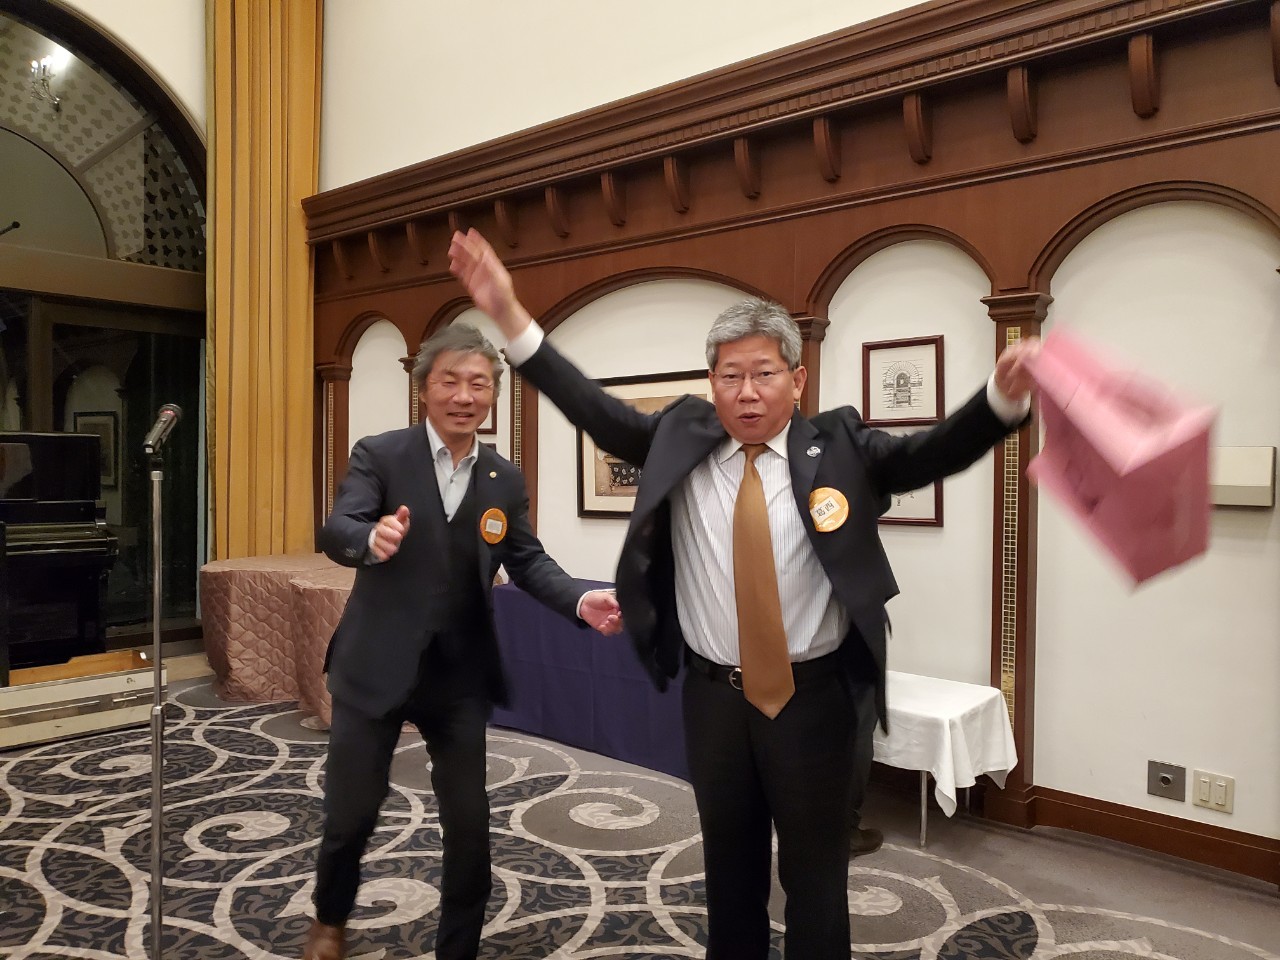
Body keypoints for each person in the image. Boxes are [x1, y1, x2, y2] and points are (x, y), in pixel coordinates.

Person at [448, 228, 1038, 960]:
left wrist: (1000, 400)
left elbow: (928, 454)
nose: (747, 392)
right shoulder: (681, 438)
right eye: (730, 376)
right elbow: (590, 406)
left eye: (764, 374)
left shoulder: (840, 447)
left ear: (798, 379)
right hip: (714, 700)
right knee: (730, 874)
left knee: (816, 878)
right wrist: (508, 314)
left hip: (817, 700)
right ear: (712, 382)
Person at [303, 323, 623, 960]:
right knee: (350, 815)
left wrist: (578, 599)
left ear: (494, 396)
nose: (464, 396)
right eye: (450, 381)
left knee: (470, 825)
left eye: (479, 384)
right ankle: (329, 921)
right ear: (424, 387)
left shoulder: (503, 478)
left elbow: (527, 560)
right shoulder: (381, 454)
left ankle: (460, 947)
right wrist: (368, 539)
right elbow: (338, 525)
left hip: (458, 675)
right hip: (376, 664)